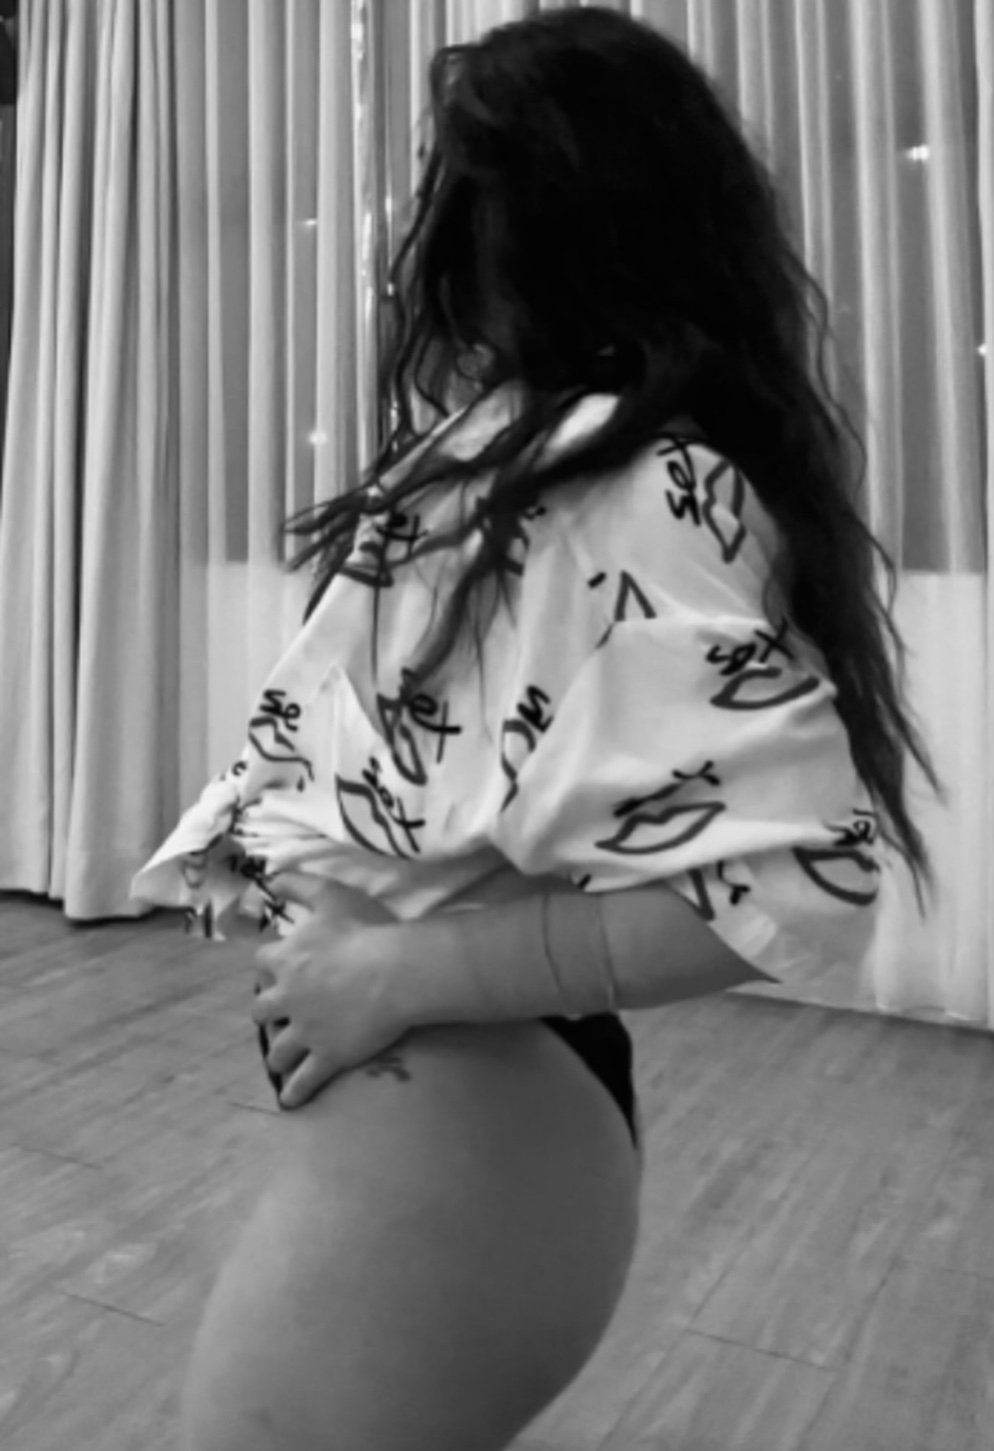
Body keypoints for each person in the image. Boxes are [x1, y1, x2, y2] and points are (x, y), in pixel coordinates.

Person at [130, 8, 944, 1449]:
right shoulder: (562, 449)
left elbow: (796, 882)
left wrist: (396, 970)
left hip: (462, 1122)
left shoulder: (621, 477)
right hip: (450, 1108)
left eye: (446, 184)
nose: (414, 231)